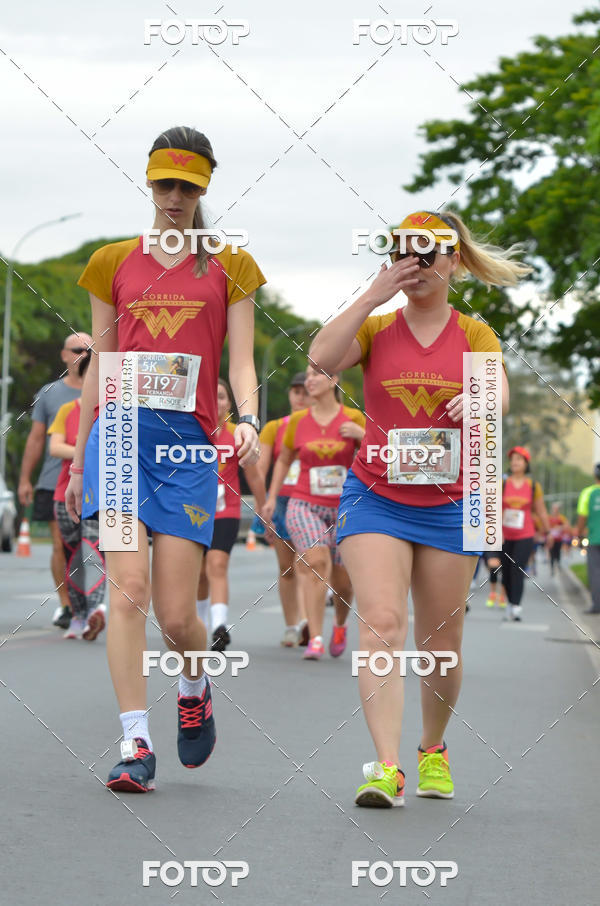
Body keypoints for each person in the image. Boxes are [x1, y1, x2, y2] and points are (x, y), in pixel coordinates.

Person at [65, 125, 265, 793]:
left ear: (203, 188)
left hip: (186, 446)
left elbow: (241, 359)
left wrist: (248, 417)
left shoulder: (230, 266)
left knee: (179, 616)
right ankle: (134, 741)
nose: (174, 197)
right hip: (119, 440)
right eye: (164, 184)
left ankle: (194, 680)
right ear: (148, 182)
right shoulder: (111, 262)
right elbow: (102, 362)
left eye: (188, 187)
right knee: (129, 595)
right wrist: (76, 459)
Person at [309, 209, 524, 806]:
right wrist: (373, 292)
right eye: (407, 252)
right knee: (380, 621)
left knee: (440, 643)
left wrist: (475, 401)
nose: (420, 264)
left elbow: (498, 394)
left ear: (454, 261)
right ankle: (385, 766)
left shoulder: (474, 332)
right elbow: (323, 357)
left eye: (432, 253)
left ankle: (432, 747)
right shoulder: (377, 329)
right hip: (376, 496)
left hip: (449, 503)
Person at [262, 364, 365, 659]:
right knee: (317, 562)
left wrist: (362, 434)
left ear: (334, 380)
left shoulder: (354, 418)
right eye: (306, 375)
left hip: (344, 508)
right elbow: (283, 460)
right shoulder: (298, 422)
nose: (309, 380)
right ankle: (316, 637)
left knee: (344, 582)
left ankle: (341, 625)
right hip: (303, 503)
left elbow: (377, 454)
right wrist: (271, 498)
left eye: (316, 374)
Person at [18, 333, 93, 629]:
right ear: (64, 355)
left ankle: (90, 602)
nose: (83, 355)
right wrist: (25, 478)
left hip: (96, 481)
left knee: (90, 544)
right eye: (77, 350)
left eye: (89, 350)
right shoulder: (50, 394)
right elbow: (37, 439)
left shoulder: (105, 390)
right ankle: (66, 605)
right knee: (61, 545)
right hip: (56, 481)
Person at [196, 379, 266, 651]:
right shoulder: (192, 432)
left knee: (217, 566)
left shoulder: (237, 434)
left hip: (226, 512)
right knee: (199, 574)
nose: (217, 402)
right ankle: (200, 624)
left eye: (222, 397)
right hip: (193, 514)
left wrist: (263, 509)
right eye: (211, 396)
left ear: (229, 403)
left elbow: (254, 476)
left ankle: (219, 626)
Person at [47, 348, 107, 639]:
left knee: (93, 552)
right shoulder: (68, 411)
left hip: (100, 496)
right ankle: (78, 614)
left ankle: (95, 610)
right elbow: (55, 447)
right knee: (73, 555)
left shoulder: (113, 413)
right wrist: (87, 453)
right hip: (66, 494)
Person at [257, 371, 309, 647]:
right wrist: (263, 504)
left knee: (306, 563)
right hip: (282, 502)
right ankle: (292, 625)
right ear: (290, 394)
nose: (301, 397)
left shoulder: (322, 425)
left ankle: (306, 623)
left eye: (306, 391)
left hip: (312, 501)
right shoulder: (274, 428)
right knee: (287, 567)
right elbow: (261, 468)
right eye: (296, 391)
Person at [501, 446, 550, 620]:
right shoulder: (503, 483)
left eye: (519, 459)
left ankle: (516, 606)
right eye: (513, 459)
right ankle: (509, 601)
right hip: (504, 535)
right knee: (505, 572)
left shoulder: (533, 486)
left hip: (525, 534)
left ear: (526, 463)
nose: (515, 462)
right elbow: (492, 507)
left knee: (517, 568)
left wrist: (547, 532)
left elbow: (541, 510)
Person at [575, 464, 600, 614]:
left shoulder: (587, 493)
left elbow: (582, 518)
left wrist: (579, 535)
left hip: (594, 538)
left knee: (595, 572)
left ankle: (597, 605)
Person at [548, 503, 570, 574]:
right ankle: (552, 569)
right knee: (551, 553)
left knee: (558, 553)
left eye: (556, 509)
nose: (555, 510)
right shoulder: (549, 518)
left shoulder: (561, 518)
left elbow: (567, 526)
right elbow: (546, 527)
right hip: (551, 540)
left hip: (559, 539)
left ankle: (558, 565)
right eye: (554, 509)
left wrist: (559, 528)